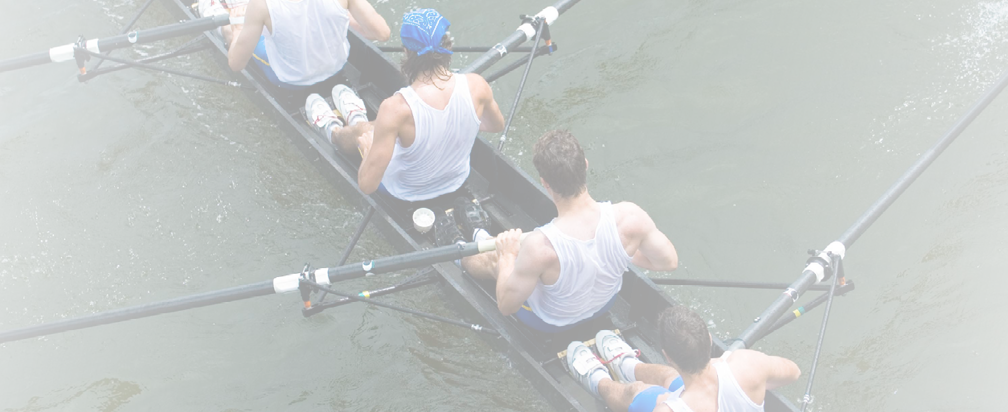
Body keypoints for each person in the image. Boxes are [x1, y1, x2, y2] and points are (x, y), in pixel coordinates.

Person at [449, 129, 679, 333]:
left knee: (496, 259)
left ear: (545, 183)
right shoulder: (631, 217)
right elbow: (667, 262)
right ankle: (479, 235)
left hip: (549, 322)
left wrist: (507, 255)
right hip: (604, 305)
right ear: (585, 165)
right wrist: (623, 251)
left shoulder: (540, 246)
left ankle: (463, 253)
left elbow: (506, 306)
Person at [304, 8, 505, 201]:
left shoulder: (396, 108)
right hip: (455, 181)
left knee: (365, 131)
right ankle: (355, 117)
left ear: (407, 51)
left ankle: (334, 131)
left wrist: (366, 152)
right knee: (384, 128)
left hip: (403, 191)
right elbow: (496, 126)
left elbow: (367, 185)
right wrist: (452, 125)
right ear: (447, 46)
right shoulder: (477, 86)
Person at [565, 305, 802, 412]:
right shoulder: (749, 364)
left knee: (635, 392)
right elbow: (794, 372)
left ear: (667, 356)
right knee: (670, 379)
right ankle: (627, 364)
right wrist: (746, 380)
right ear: (709, 339)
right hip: (712, 381)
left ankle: (599, 382)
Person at [199, 0, 390, 89]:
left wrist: (238, 26)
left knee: (237, 32)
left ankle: (220, 17)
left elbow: (235, 63)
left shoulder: (261, 5)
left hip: (290, 80)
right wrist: (340, 16)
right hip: (337, 66)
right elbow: (381, 33)